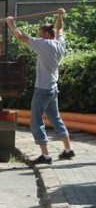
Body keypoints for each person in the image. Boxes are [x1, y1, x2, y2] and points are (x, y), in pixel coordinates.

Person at [6, 9, 75, 164]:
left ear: (45, 34)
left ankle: (45, 155)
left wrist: (10, 23)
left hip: (42, 90)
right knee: (56, 119)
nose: (38, 35)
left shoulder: (44, 44)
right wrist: (60, 16)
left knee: (36, 121)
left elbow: (21, 36)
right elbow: (60, 29)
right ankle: (68, 150)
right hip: (52, 89)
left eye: (39, 33)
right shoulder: (59, 43)